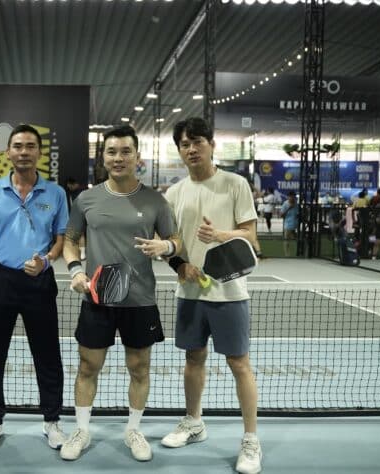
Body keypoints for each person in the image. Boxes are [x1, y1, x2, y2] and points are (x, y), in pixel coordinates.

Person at [60, 125, 179, 462]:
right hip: (97, 299)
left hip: (139, 301)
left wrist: (166, 246)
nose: (118, 158)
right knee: (88, 366)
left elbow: (176, 241)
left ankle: (133, 430)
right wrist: (76, 270)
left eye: (126, 151)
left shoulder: (156, 201)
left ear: (137, 156)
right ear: (103, 157)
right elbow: (70, 240)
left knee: (139, 368)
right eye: (111, 152)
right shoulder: (86, 199)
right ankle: (81, 430)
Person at [162, 117, 262, 474]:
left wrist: (220, 235)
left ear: (211, 145)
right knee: (193, 358)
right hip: (190, 292)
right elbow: (171, 244)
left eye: (197, 142)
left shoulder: (235, 184)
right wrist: (180, 265)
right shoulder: (174, 193)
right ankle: (194, 422)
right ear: (180, 150)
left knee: (239, 364)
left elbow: (251, 237)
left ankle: (251, 440)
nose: (192, 149)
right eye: (185, 144)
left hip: (229, 291)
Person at [0, 124, 68, 451]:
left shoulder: (56, 193)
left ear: (39, 152)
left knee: (47, 354)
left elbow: (60, 239)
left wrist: (47, 260)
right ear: (8, 152)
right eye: (18, 146)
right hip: (2, 279)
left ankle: (52, 421)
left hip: (40, 281)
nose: (24, 152)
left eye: (30, 146)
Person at [65, 176, 87, 260]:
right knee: (73, 235)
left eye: (70, 186)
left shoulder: (83, 192)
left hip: (81, 215)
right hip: (72, 216)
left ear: (74, 184)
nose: (69, 187)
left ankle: (83, 254)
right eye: (68, 186)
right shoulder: (69, 193)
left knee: (81, 234)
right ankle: (77, 253)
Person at [280, 192, 299, 257]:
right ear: (288, 197)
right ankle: (287, 255)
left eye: (294, 197)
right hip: (288, 225)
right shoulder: (285, 204)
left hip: (295, 225)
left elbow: (297, 214)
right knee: (286, 240)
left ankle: (298, 253)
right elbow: (281, 215)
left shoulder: (296, 204)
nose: (292, 198)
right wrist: (289, 208)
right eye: (291, 197)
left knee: (297, 239)